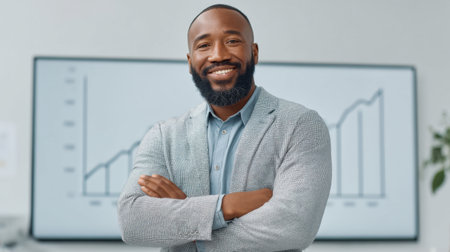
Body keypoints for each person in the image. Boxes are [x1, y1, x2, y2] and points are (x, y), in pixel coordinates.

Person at [118, 4, 332, 251]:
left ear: (254, 52)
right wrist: (227, 206)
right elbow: (132, 220)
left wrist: (188, 227)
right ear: (190, 62)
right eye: (203, 45)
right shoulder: (164, 136)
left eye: (231, 41)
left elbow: (295, 225)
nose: (218, 54)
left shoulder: (300, 125)